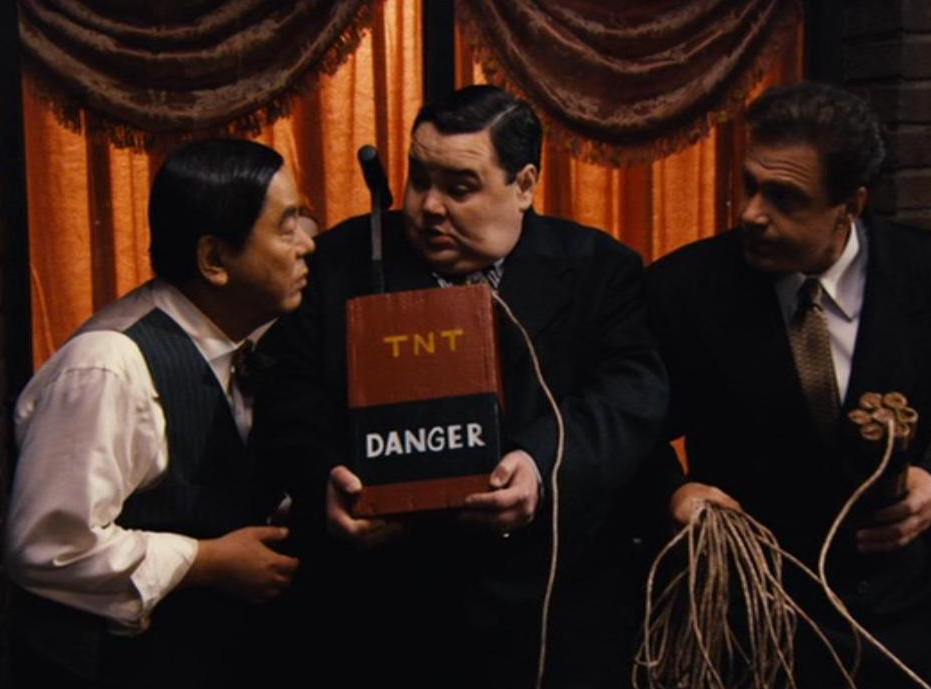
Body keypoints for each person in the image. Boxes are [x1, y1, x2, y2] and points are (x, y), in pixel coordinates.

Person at [253, 84, 668, 688]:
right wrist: (325, 479)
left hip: (546, 613)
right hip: (378, 614)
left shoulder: (599, 269)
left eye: (459, 188)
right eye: (419, 179)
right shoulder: (341, 260)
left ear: (524, 185)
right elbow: (287, 397)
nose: (428, 206)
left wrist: (542, 464)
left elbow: (631, 397)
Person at [644, 81, 931, 688]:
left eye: (784, 198)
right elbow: (632, 430)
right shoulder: (683, 289)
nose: (751, 213)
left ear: (850, 205)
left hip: (895, 625)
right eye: (749, 185)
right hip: (743, 626)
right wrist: (675, 492)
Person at [5, 138, 313, 687]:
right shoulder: (108, 365)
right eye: (286, 227)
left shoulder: (253, 340)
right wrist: (206, 561)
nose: (307, 244)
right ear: (214, 259)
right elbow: (51, 549)